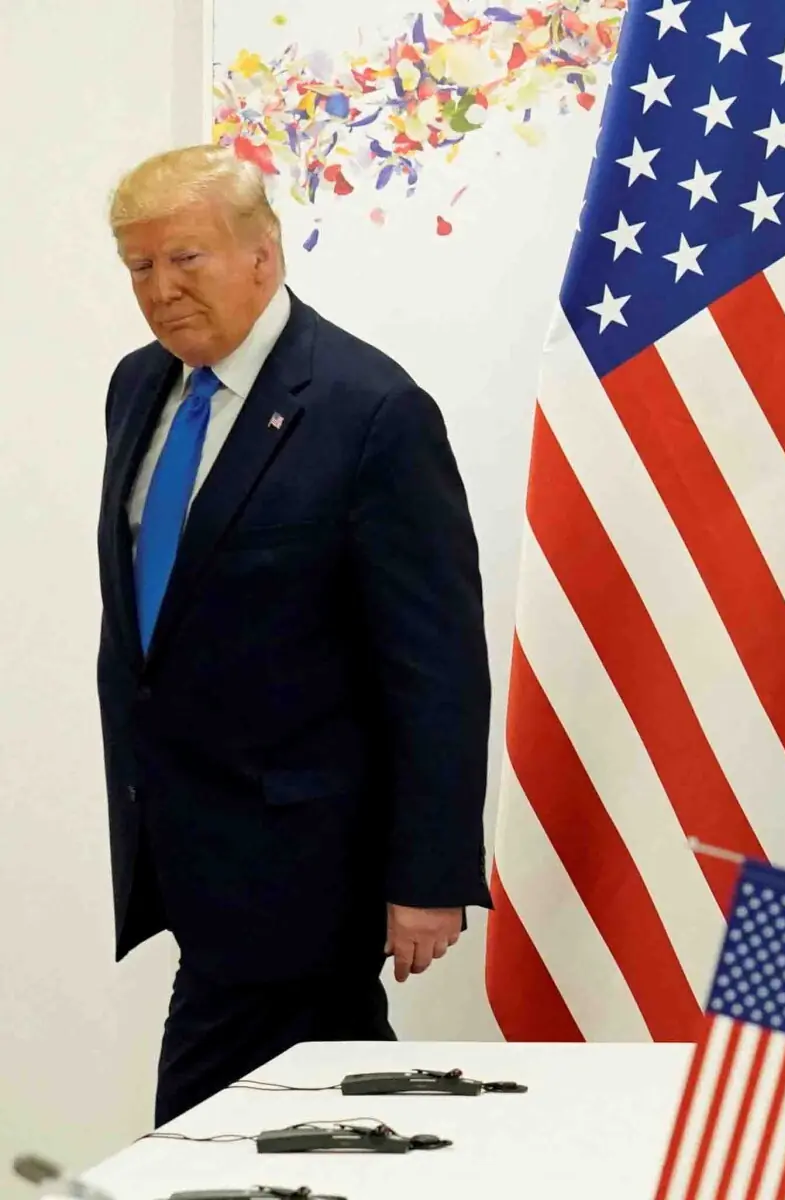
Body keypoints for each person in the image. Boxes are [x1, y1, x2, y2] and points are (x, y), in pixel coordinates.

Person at [98, 145, 492, 1123]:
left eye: (185, 259)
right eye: (140, 268)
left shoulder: (370, 412)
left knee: (198, 1137)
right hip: (190, 844)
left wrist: (429, 876)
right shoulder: (138, 389)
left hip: (307, 858)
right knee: (322, 1122)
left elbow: (436, 666)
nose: (162, 289)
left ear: (263, 256)